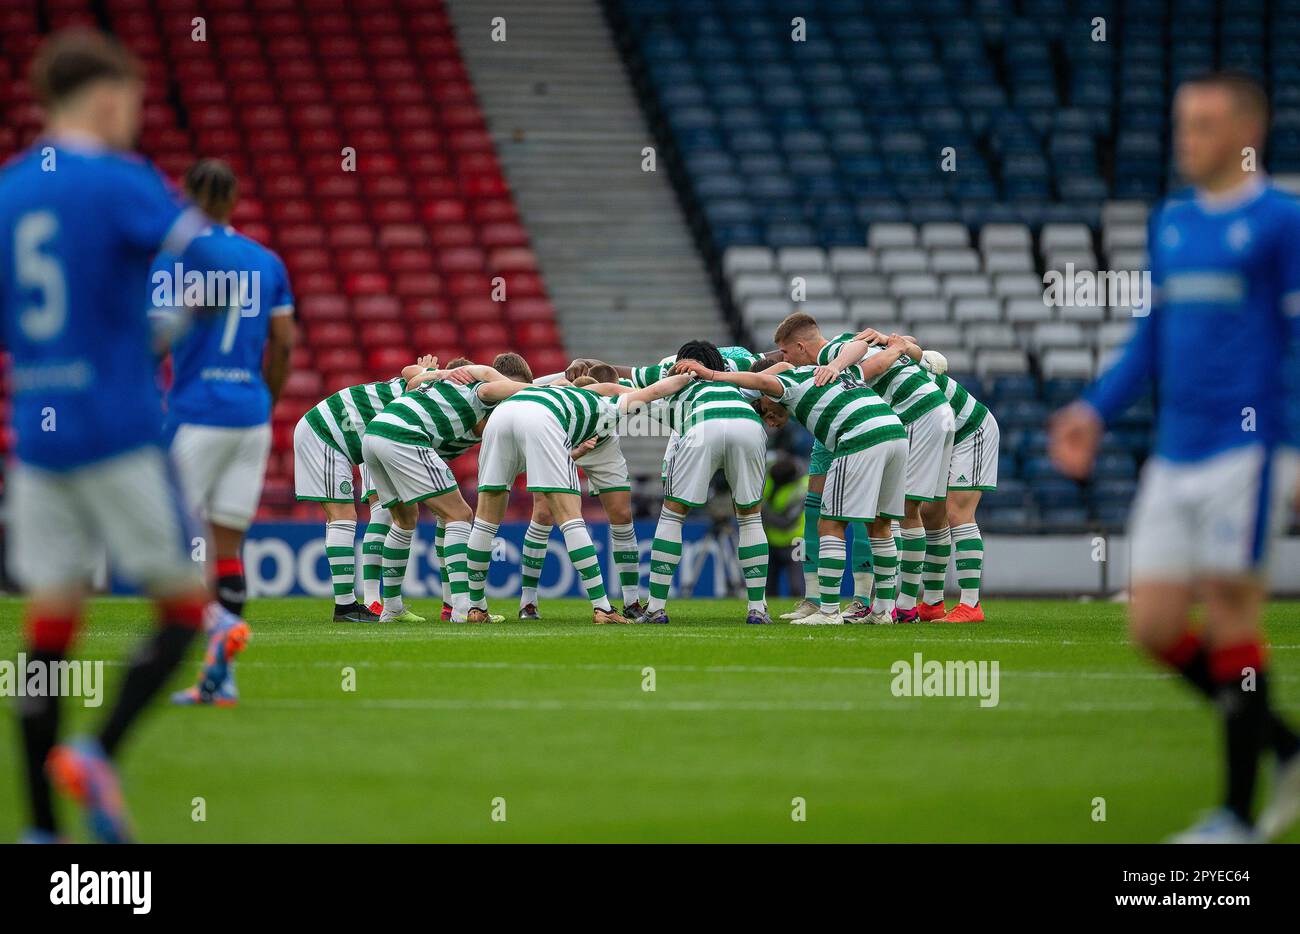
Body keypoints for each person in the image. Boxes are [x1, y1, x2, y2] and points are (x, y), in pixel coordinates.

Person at [1049, 71, 1300, 842]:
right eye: (1182, 123)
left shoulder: (1281, 223)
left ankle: (1235, 816)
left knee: (1231, 619)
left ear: (1246, 133)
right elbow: (1152, 334)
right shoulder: (1173, 221)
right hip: (1174, 452)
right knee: (1154, 626)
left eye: (1204, 125)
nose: (1186, 139)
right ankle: (1287, 747)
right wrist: (1094, 409)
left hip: (1247, 452)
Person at [1, 29, 217, 842]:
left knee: (49, 625)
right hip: (120, 429)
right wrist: (162, 325)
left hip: (38, 438)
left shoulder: (10, 192)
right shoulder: (122, 181)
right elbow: (201, 258)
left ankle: (40, 833)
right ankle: (98, 749)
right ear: (104, 98)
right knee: (183, 611)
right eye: (131, 103)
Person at [152, 158, 297, 705]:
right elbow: (283, 343)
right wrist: (265, 401)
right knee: (228, 547)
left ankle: (213, 624)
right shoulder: (266, 261)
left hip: (197, 412)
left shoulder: (175, 257)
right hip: (250, 415)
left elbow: (157, 336)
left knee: (171, 541)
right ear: (235, 200)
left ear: (188, 195)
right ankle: (222, 678)